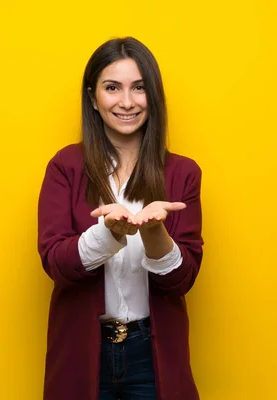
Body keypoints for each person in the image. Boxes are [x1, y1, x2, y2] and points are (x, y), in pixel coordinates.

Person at [37, 37, 204, 400]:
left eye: (139, 88)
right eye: (112, 88)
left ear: (153, 96)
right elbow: (55, 263)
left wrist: (154, 230)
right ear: (92, 98)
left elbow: (183, 280)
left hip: (152, 355)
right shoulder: (65, 167)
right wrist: (109, 232)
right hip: (83, 352)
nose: (126, 102)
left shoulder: (183, 173)